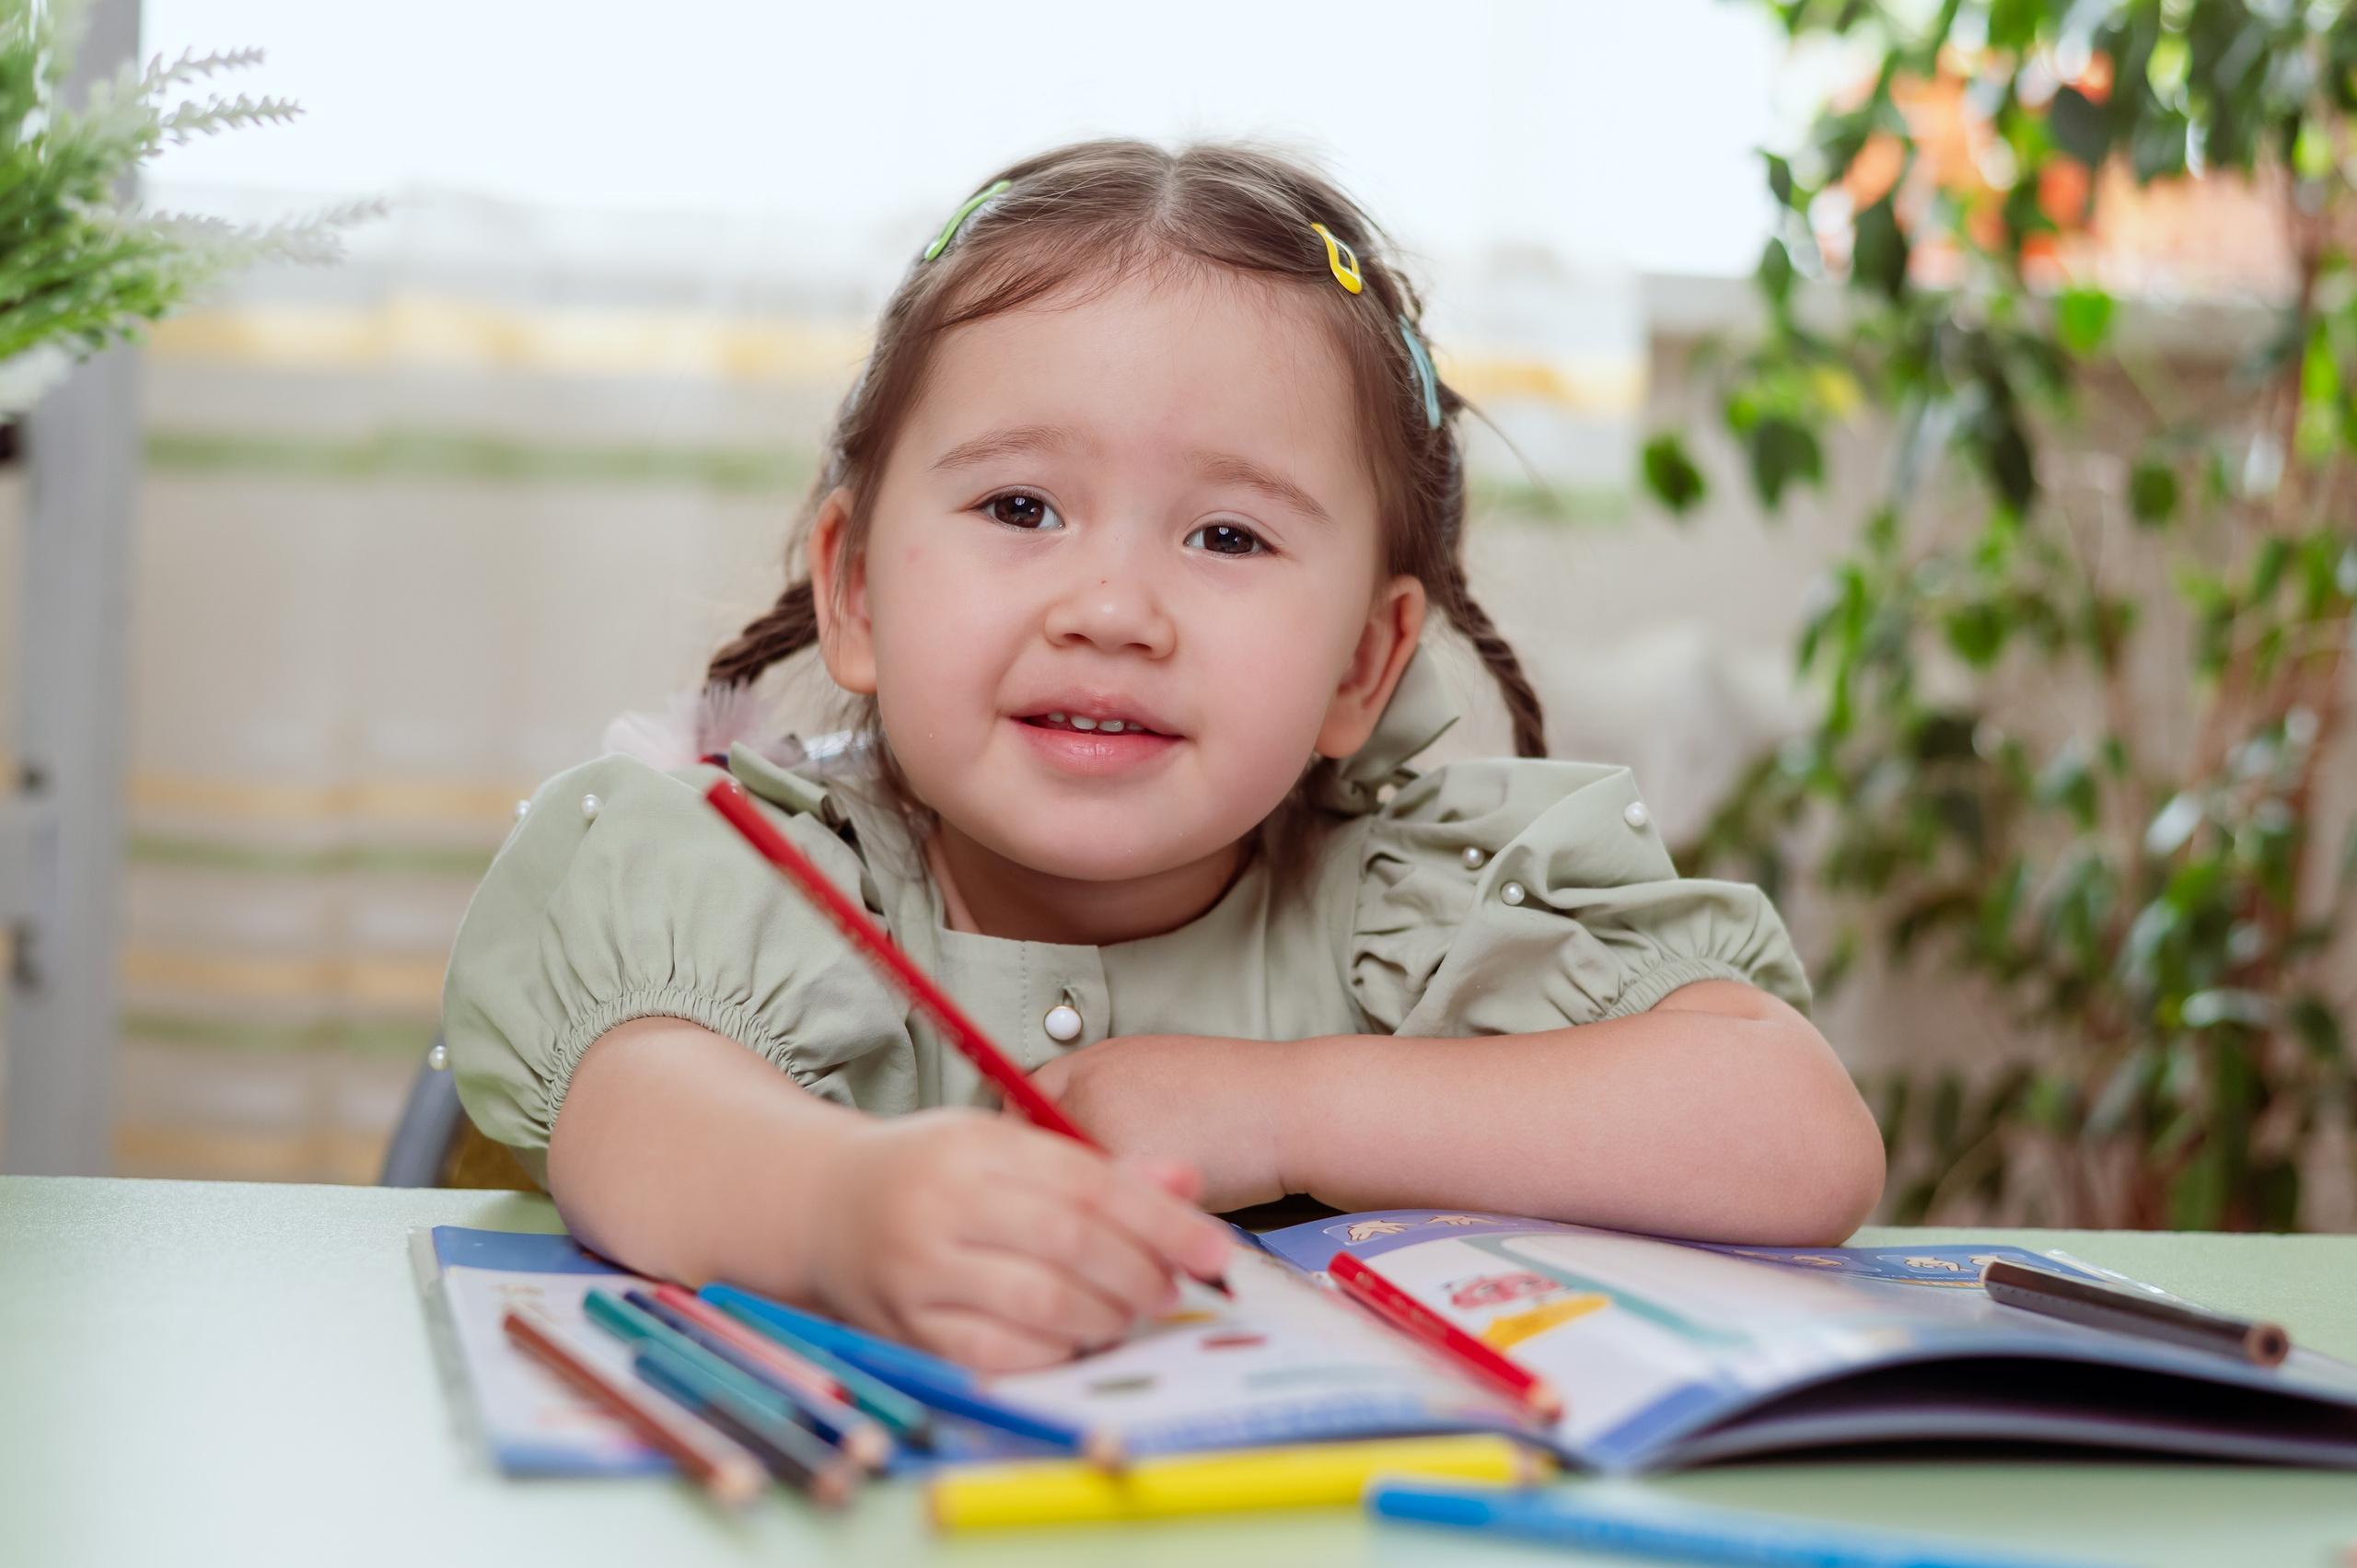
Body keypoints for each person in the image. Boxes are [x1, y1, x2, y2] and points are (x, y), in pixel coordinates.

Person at [443, 141, 1885, 1373]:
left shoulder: (1424, 905)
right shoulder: (748, 870)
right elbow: (634, 1113)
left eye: (1228, 537)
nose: (1114, 611)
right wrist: (846, 1211)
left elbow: (1798, 1136)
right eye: (1019, 506)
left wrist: (1284, 1105)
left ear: (1365, 664)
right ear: (858, 590)